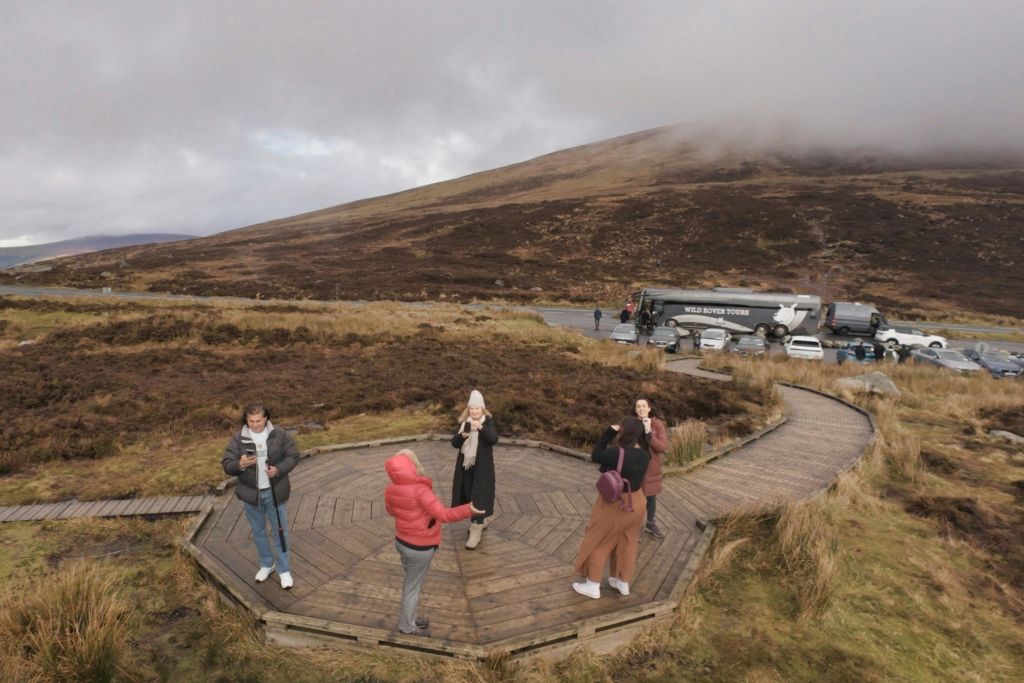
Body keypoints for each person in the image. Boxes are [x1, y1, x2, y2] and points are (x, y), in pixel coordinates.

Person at [385, 449, 483, 637]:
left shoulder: (390, 488)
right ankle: (407, 626)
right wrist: (469, 509)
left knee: (412, 583)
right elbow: (443, 515)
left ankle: (410, 618)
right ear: (411, 467)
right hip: (419, 547)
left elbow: (391, 511)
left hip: (402, 543)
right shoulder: (420, 490)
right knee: (412, 587)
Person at [222, 403, 300, 589]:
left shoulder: (279, 434)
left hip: (275, 493)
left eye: (258, 420)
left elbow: (293, 456)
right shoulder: (238, 438)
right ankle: (267, 564)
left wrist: (279, 469)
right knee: (258, 532)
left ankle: (284, 569)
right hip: (251, 495)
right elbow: (227, 464)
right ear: (246, 420)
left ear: (266, 419)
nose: (255, 424)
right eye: (251, 421)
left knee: (280, 531)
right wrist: (240, 464)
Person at [573, 417, 651, 599]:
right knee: (628, 542)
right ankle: (622, 582)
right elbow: (645, 446)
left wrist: (609, 433)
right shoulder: (645, 454)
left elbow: (596, 454)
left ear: (624, 432)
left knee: (600, 540)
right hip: (638, 502)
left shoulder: (618, 453)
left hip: (617, 503)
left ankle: (593, 585)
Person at [451, 390, 499, 549]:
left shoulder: (488, 422)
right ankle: (479, 520)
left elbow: (493, 439)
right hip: (466, 467)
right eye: (471, 408)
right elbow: (455, 443)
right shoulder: (464, 422)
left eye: (477, 408)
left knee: (479, 496)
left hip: (482, 469)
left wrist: (480, 428)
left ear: (483, 409)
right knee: (469, 494)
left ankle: (476, 529)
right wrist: (462, 436)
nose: (474, 411)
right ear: (468, 409)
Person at [633, 398, 669, 538]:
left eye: (644, 406)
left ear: (649, 408)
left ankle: (650, 523)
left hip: (652, 468)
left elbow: (662, 447)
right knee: (636, 499)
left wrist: (649, 433)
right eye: (638, 406)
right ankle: (636, 526)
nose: (641, 409)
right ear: (635, 410)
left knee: (651, 497)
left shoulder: (657, 425)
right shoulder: (631, 423)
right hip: (635, 467)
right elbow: (622, 445)